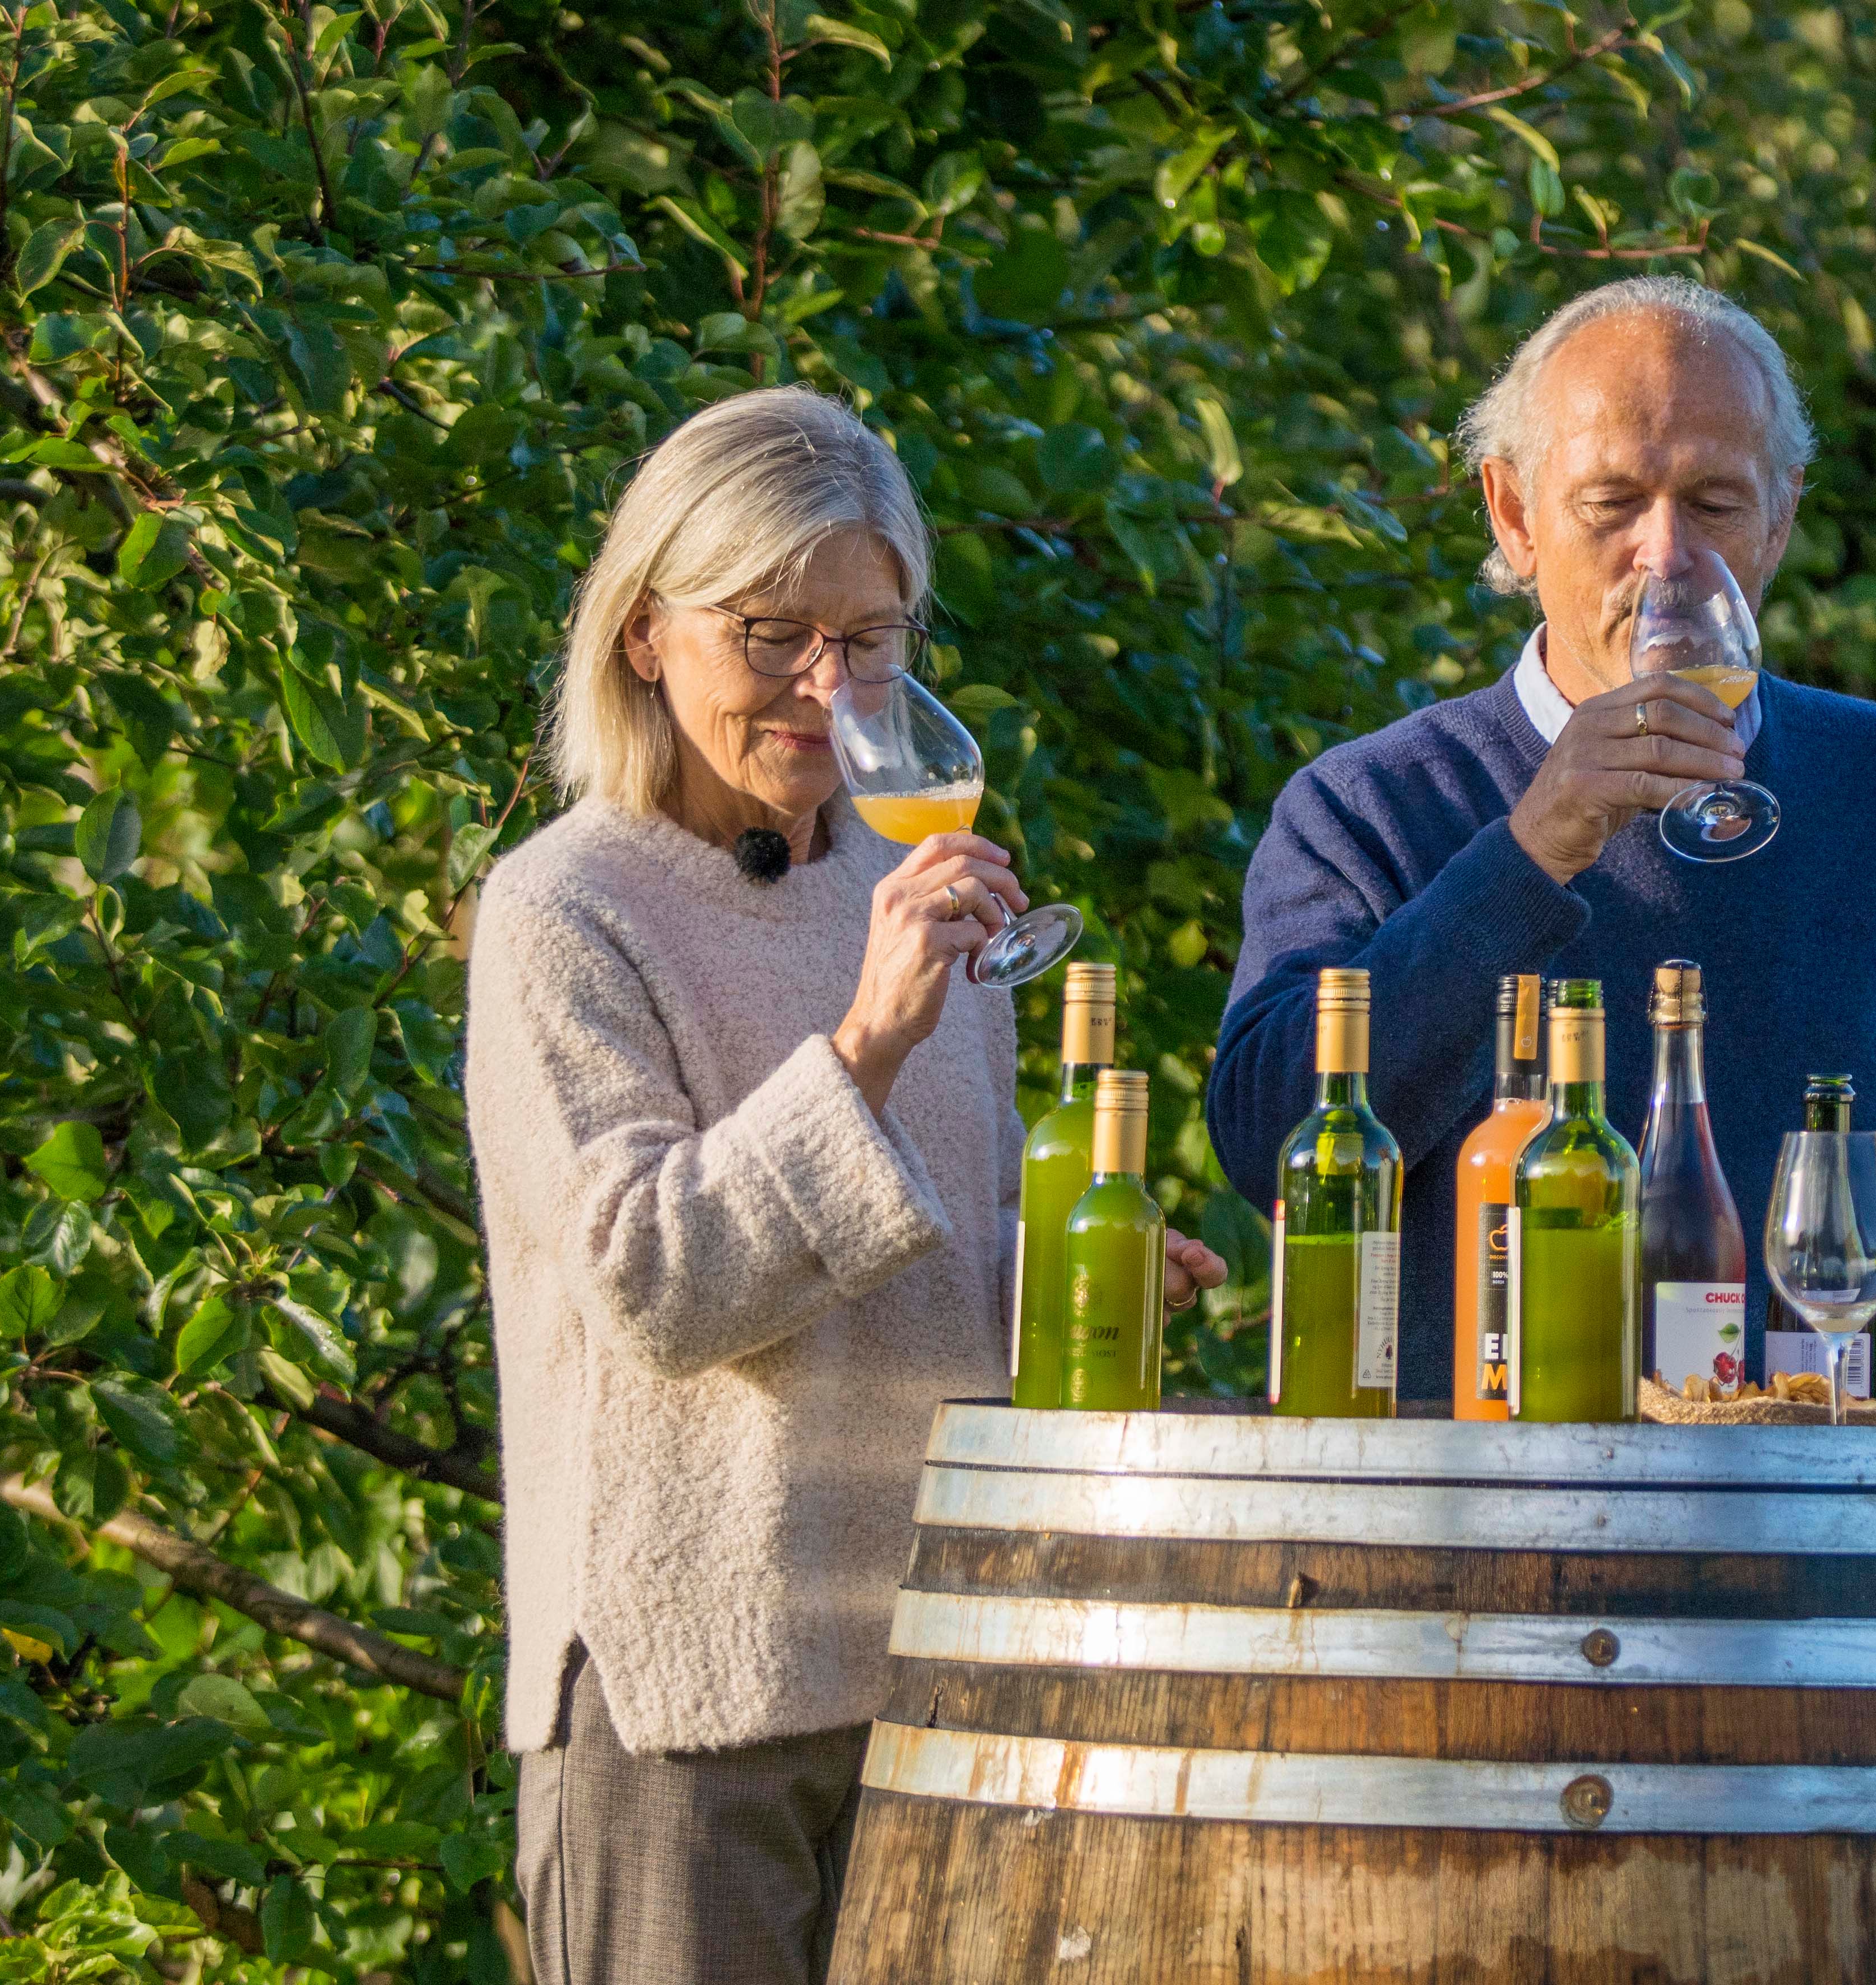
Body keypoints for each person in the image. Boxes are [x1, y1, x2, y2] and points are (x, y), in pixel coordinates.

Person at [466, 386, 1220, 1984]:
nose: (830, 688)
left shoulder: (906, 880)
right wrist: (867, 1039)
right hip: (690, 1707)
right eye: (773, 634)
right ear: (648, 635)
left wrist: (1076, 1274)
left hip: (940, 1671)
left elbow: (913, 1267)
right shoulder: (563, 913)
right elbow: (662, 1288)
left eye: (870, 641)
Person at [1207, 276, 1876, 1413]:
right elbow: (1274, 1146)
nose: (1666, 554)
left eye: (1715, 501)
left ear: (1783, 516)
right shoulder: (1371, 806)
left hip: (1833, 1536)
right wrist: (1532, 851)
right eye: (1611, 501)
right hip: (1479, 1535)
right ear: (1514, 515)